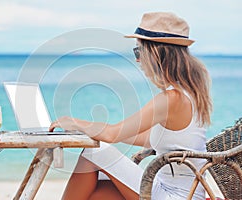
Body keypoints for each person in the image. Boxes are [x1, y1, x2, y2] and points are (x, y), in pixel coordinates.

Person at [49, 12, 212, 200]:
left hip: (175, 196)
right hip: (173, 191)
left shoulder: (171, 98)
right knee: (95, 194)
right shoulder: (188, 92)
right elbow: (152, 139)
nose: (137, 59)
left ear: (156, 53)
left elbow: (112, 134)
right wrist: (100, 132)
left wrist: (73, 122)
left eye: (138, 51)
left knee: (95, 151)